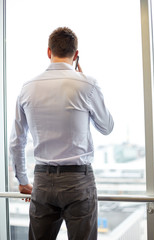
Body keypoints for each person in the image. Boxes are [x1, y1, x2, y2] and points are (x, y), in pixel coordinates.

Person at [9, 27, 114, 240]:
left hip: (42, 181)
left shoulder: (27, 88)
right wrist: (84, 81)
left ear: (49, 52)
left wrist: (22, 179)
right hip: (78, 180)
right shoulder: (87, 84)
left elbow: (16, 141)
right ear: (76, 55)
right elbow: (107, 127)